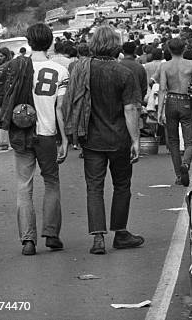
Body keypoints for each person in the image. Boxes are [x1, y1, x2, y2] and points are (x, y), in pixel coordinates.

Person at [63, 25, 143, 255]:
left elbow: (71, 101)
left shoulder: (82, 68)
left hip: (91, 139)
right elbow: (130, 109)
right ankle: (120, 233)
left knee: (94, 187)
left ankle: (98, 237)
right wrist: (135, 140)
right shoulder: (123, 73)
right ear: (115, 46)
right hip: (119, 138)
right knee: (122, 185)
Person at [0, 23, 68, 255]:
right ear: (50, 42)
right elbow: (60, 109)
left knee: (24, 186)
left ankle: (28, 240)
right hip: (47, 133)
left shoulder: (15, 66)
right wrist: (65, 139)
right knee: (51, 182)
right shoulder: (59, 71)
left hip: (21, 132)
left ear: (28, 42)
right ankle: (51, 233)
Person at [157, 38, 192, 186]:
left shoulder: (164, 66)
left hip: (170, 100)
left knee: (173, 141)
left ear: (169, 50)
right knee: (189, 140)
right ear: (184, 49)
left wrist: (160, 111)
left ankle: (178, 174)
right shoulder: (191, 64)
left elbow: (162, 89)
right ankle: (186, 164)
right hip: (185, 101)